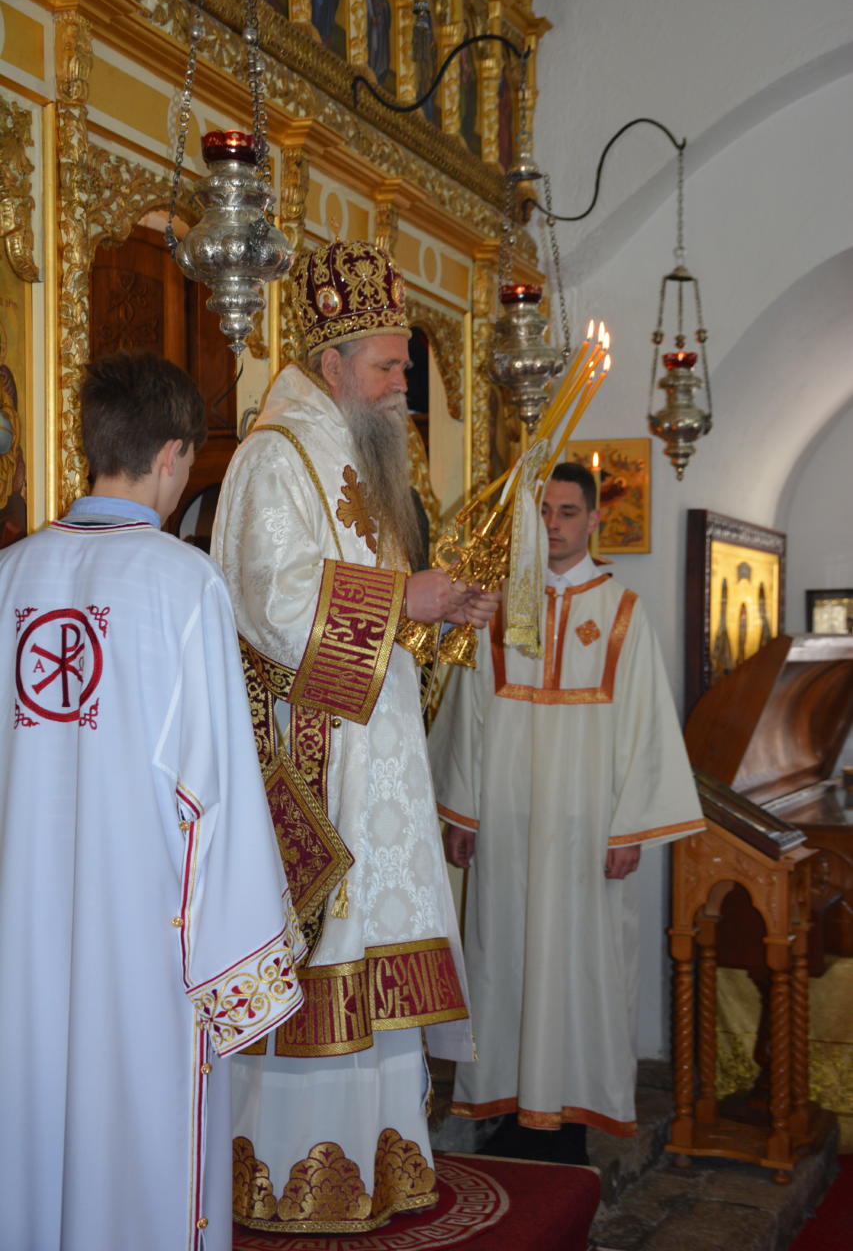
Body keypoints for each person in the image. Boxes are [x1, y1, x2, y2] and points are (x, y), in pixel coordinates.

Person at [211, 239, 497, 1234]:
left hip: (370, 767)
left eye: (402, 369)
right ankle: (289, 1176)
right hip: (312, 770)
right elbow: (273, 607)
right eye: (385, 367)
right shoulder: (273, 456)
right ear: (331, 364)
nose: (399, 387)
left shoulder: (356, 451)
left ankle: (383, 1164)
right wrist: (402, 599)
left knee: (374, 963)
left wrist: (438, 609)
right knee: (325, 956)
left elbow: (376, 614)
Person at [0, 351, 306, 1251]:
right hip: (140, 949)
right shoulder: (183, 582)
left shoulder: (7, 577)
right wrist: (238, 970)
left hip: (19, 938)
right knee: (139, 1155)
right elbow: (216, 791)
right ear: (173, 455)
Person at [429, 461, 704, 1163]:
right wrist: (462, 814)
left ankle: (570, 1115)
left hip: (588, 836)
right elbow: (467, 712)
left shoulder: (621, 612)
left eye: (568, 512)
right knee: (504, 959)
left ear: (594, 520)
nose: (553, 525)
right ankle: (507, 1107)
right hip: (508, 828)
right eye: (542, 512)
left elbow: (645, 727)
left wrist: (629, 828)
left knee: (584, 967)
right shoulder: (494, 610)